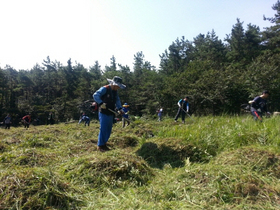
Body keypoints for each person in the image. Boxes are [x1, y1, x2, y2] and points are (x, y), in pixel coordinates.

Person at [93, 76, 125, 152]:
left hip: (111, 111)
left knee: (108, 129)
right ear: (113, 84)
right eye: (118, 86)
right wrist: (101, 103)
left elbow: (117, 100)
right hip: (103, 111)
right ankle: (100, 146)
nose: (119, 88)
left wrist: (120, 109)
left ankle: (104, 144)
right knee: (103, 128)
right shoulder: (105, 89)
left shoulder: (115, 91)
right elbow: (95, 95)